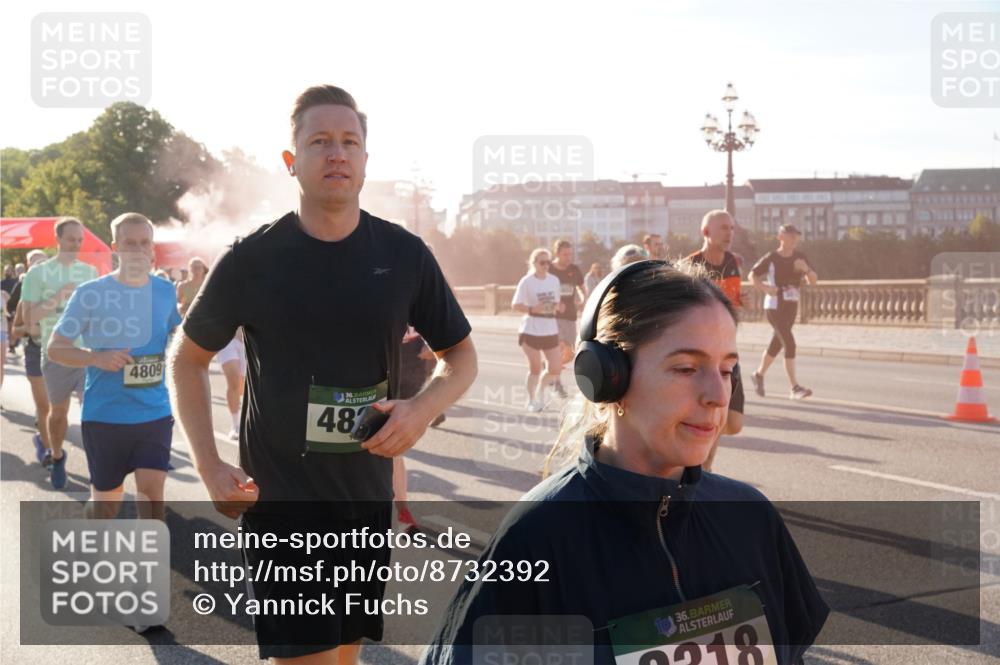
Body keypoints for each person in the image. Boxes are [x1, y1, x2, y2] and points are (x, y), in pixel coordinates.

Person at [168, 84, 477, 665]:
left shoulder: (404, 254)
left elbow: (462, 356)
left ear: (365, 159)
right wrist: (207, 463)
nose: (337, 153)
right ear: (292, 162)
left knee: (344, 657)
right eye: (319, 141)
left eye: (349, 142)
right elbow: (187, 357)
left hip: (365, 501)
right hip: (283, 502)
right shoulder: (251, 260)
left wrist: (422, 407)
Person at [421, 260, 829, 665]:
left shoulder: (751, 518)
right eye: (686, 368)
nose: (718, 395)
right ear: (607, 376)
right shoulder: (535, 540)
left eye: (727, 369)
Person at [48, 213, 181, 525]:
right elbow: (56, 347)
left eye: (144, 242)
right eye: (129, 243)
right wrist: (95, 358)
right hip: (106, 416)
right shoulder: (90, 293)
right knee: (107, 506)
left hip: (154, 413)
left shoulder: (165, 291)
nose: (137, 249)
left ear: (152, 248)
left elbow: (179, 335)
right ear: (115, 247)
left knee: (151, 493)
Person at [21, 218, 99, 488]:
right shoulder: (38, 274)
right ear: (58, 240)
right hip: (54, 354)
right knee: (58, 413)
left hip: (86, 353)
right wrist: (59, 296)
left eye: (80, 240)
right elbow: (29, 319)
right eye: (71, 239)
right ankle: (57, 456)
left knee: (93, 411)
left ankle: (98, 470)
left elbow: (97, 314)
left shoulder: (89, 272)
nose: (76, 245)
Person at [686, 210, 745, 471]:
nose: (729, 233)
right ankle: (701, 469)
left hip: (727, 351)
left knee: (734, 423)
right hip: (699, 353)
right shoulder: (690, 266)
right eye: (723, 228)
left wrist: (741, 305)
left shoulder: (732, 262)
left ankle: (701, 466)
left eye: (731, 228)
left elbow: (732, 304)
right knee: (711, 414)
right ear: (706, 232)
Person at [749, 224, 818, 400]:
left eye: (796, 236)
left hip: (791, 306)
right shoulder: (771, 258)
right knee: (789, 343)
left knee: (778, 344)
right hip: (774, 306)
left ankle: (758, 374)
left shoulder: (800, 257)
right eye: (791, 236)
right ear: (781, 237)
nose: (794, 239)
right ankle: (794, 388)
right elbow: (752, 275)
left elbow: (814, 281)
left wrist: (806, 269)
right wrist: (764, 287)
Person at [9, 250, 52, 466]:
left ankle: (50, 442)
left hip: (59, 355)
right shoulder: (24, 301)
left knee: (56, 408)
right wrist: (31, 328)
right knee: (44, 407)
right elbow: (15, 332)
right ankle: (51, 452)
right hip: (35, 354)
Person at [512, 248, 563, 412]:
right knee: (535, 368)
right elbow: (515, 305)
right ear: (534, 263)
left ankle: (541, 394)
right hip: (530, 330)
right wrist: (533, 309)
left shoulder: (554, 280)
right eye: (542, 262)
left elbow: (554, 303)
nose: (546, 265)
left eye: (548, 262)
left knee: (555, 368)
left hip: (550, 328)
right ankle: (531, 399)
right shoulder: (526, 281)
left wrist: (559, 307)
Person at [548, 239, 585, 399]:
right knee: (558, 347)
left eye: (570, 254)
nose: (568, 257)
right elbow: (540, 290)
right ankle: (557, 384)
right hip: (552, 316)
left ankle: (549, 369)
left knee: (569, 353)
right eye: (565, 254)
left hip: (570, 315)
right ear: (557, 254)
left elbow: (582, 287)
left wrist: (584, 300)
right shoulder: (549, 269)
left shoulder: (574, 269)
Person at [215, 328, 246, 440]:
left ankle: (245, 418)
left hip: (248, 339)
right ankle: (236, 425)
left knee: (242, 387)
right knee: (234, 380)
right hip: (227, 339)